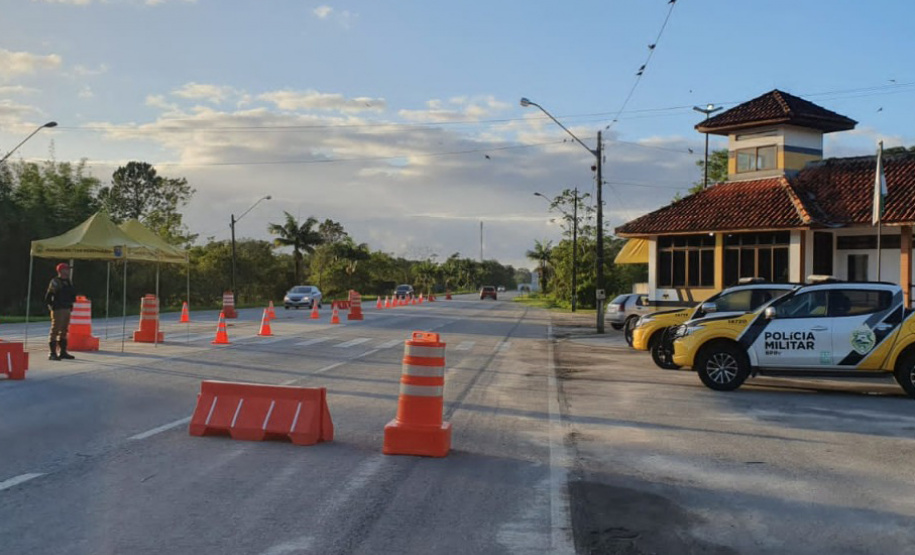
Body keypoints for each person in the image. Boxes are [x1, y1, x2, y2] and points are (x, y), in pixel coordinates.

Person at [45, 262, 77, 361]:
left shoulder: (68, 281)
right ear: (61, 270)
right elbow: (49, 296)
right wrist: (52, 306)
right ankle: (53, 353)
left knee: (64, 331)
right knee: (55, 330)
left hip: (66, 308)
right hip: (58, 309)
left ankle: (63, 352)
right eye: (66, 269)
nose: (68, 271)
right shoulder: (55, 281)